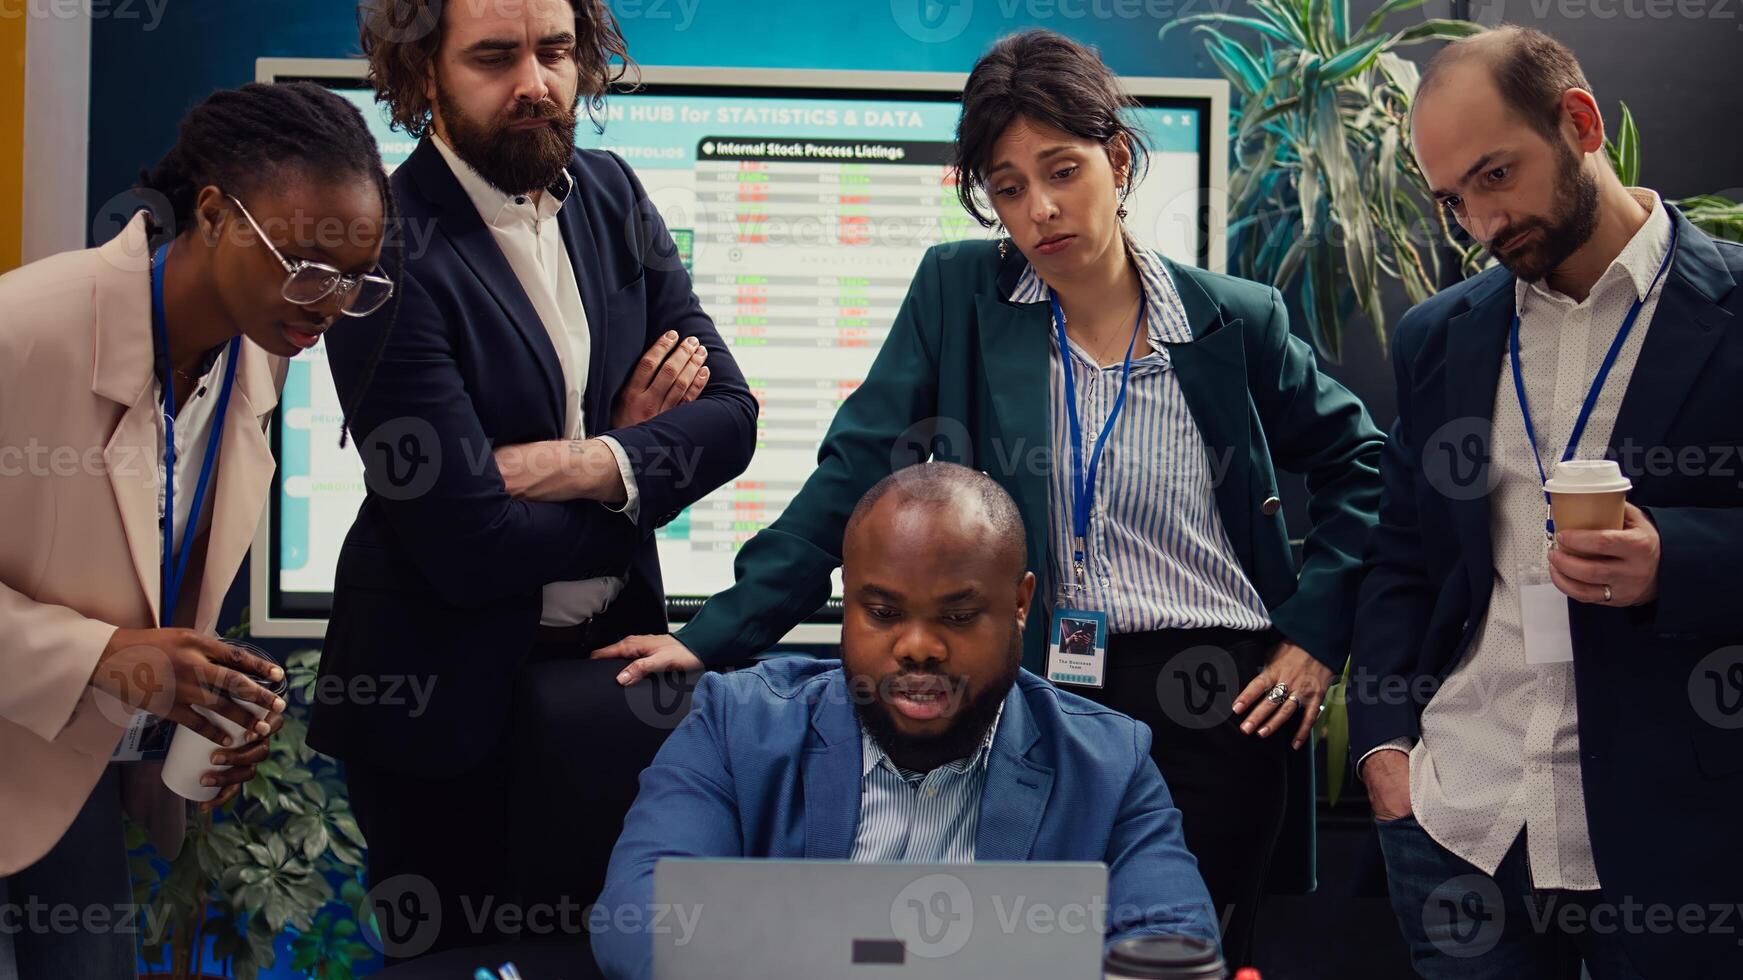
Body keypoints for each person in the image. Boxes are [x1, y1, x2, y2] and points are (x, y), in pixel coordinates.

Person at [593, 29, 1384, 966]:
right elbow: (852, 475)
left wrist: (1312, 637)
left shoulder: (1231, 321)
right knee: (1011, 953)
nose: (1039, 209)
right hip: (1043, 684)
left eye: (1061, 171)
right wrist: (709, 634)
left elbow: (1363, 466)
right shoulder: (958, 293)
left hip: (1218, 695)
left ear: (1117, 160)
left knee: (1171, 957)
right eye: (1006, 188)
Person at [309, 0, 757, 962]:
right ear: (422, 71)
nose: (535, 84)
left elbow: (730, 419)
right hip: (434, 701)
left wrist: (587, 460)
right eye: (494, 57)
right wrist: (633, 484)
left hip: (605, 679)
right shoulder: (380, 245)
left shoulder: (613, 196)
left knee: (610, 957)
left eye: (555, 51)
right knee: (444, 965)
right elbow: (468, 549)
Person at [1349, 26, 1743, 978]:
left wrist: (1673, 559)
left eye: (1496, 176)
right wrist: (1382, 756)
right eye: (1452, 201)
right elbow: (1401, 553)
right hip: (1461, 820)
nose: (1482, 224)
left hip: (1678, 838)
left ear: (1578, 122)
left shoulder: (1729, 308)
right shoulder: (1438, 336)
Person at [0, 82, 393, 979]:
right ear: (213, 213)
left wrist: (196, 694)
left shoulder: (263, 354)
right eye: (304, 265)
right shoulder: (24, 329)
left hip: (68, 768)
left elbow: (155, 558)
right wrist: (102, 658)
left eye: (354, 281)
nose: (327, 304)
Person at [591, 462, 1219, 980]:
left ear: (1020, 604)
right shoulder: (737, 724)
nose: (918, 647)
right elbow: (641, 917)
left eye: (957, 616)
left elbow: (1175, 948)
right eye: (884, 613)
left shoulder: (1110, 762)